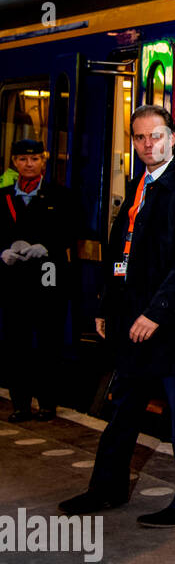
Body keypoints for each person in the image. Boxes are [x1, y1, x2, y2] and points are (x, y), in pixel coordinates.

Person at [58, 105, 175, 528]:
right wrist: (104, 308)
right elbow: (120, 254)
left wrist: (155, 313)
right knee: (121, 413)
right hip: (132, 324)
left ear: (172, 137)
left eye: (156, 136)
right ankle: (105, 489)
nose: (148, 145)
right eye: (140, 138)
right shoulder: (137, 187)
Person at [0, 138, 78, 421]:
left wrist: (48, 247)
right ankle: (20, 404)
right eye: (22, 159)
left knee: (48, 343)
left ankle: (47, 403)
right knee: (16, 344)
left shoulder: (61, 196)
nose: (28, 164)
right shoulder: (4, 197)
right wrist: (4, 251)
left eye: (34, 159)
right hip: (14, 284)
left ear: (43, 161)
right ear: (14, 162)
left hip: (49, 282)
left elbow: (71, 232)